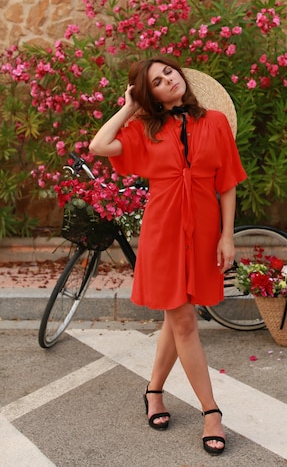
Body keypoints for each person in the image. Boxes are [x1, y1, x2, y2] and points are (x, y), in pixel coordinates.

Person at [89, 55, 246, 455]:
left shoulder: (215, 123)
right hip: (163, 232)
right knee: (184, 321)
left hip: (207, 229)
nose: (167, 80)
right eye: (156, 81)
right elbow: (100, 145)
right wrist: (128, 108)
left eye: (169, 72)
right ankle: (212, 412)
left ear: (181, 75)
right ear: (151, 95)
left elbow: (227, 183)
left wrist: (227, 236)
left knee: (176, 316)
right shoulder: (144, 130)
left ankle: (153, 391)